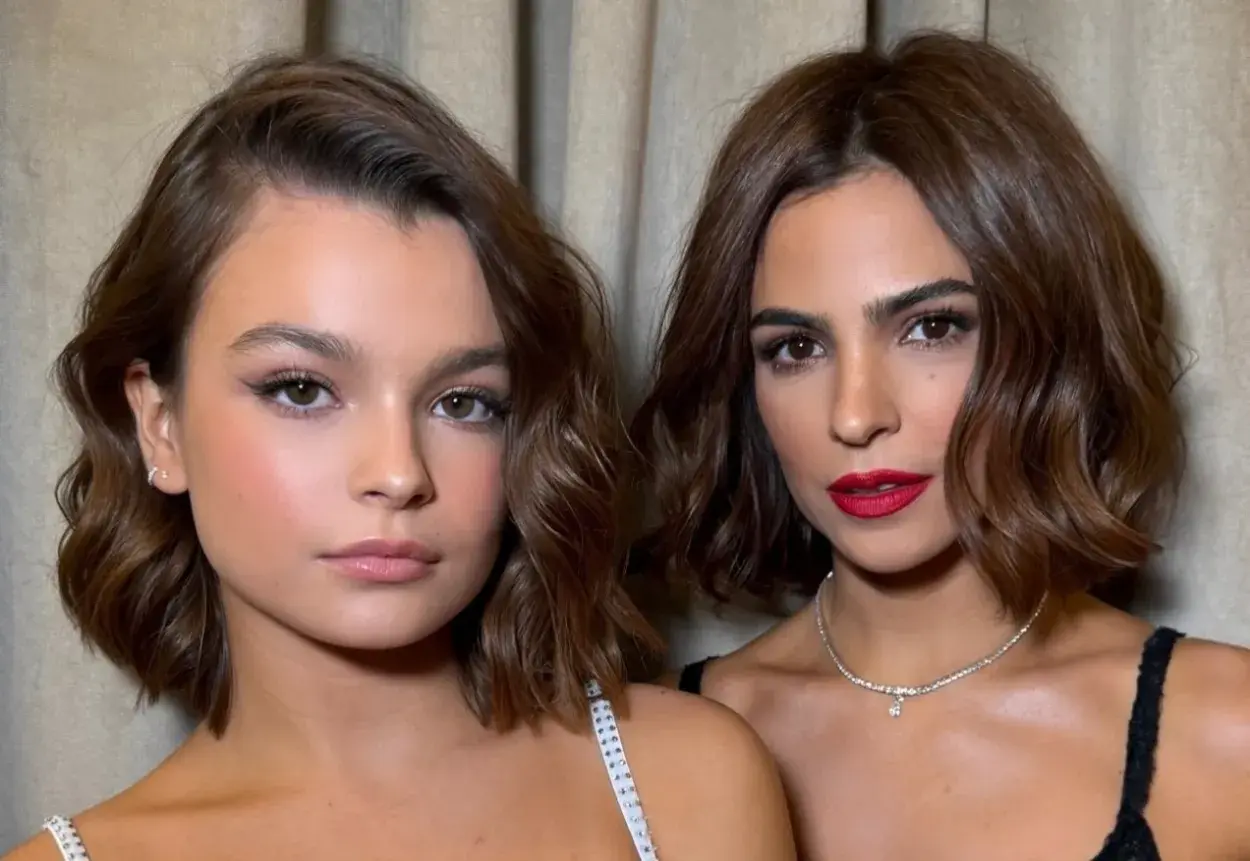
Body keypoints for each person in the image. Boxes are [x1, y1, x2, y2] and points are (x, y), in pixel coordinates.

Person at [3, 55, 795, 861]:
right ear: (159, 424)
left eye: (463, 402)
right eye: (302, 389)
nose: (398, 472)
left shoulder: (688, 782)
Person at [631, 31, 1250, 861]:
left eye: (931, 328)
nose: (856, 416)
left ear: (1047, 342)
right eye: (796, 348)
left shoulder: (1226, 735)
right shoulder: (643, 760)